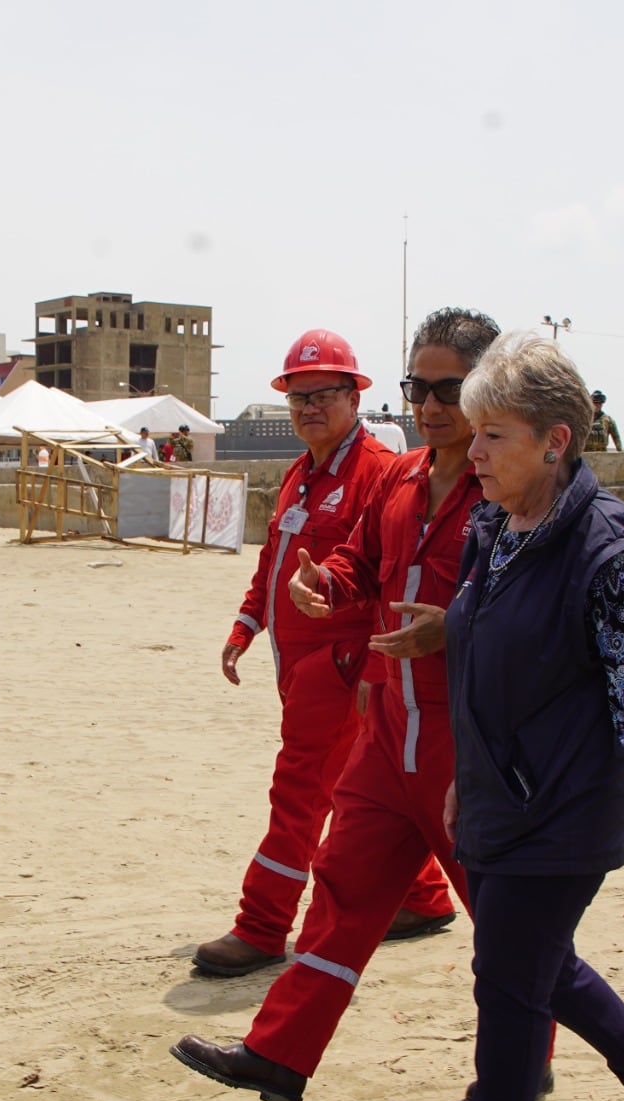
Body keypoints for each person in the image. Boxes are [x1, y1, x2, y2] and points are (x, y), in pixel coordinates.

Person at [398, 332, 624, 1101]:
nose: (473, 451)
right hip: (493, 791)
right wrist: (461, 773)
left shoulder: (606, 547)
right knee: (536, 963)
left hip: (565, 802)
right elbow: (483, 650)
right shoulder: (494, 527)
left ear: (555, 441)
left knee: (508, 978)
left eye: (494, 435)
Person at [174, 307, 500, 1101]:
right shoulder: (400, 480)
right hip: (389, 723)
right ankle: (278, 1054)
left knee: (506, 916)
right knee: (348, 890)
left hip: (456, 738)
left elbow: (535, 609)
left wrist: (425, 638)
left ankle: (617, 1055)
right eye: (417, 387)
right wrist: (297, 600)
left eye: (449, 388)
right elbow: (355, 558)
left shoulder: (508, 492)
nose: (429, 403)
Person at [198, 329, 457, 978]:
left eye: (324, 395)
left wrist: (373, 668)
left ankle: (260, 927)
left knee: (299, 794)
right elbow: (275, 561)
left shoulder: (378, 473)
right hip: (300, 667)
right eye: (298, 398)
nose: (309, 408)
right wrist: (245, 625)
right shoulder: (301, 475)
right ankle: (424, 897)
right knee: (354, 792)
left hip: (340, 671)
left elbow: (388, 575)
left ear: (355, 397)